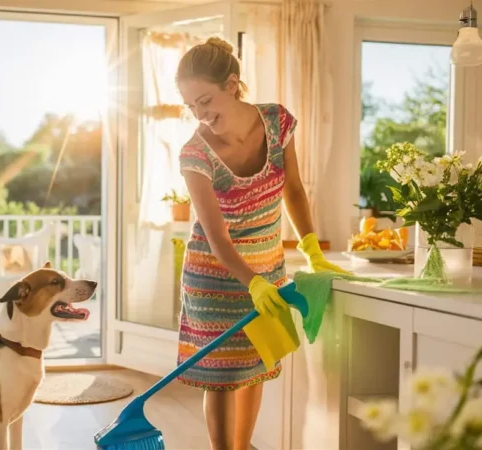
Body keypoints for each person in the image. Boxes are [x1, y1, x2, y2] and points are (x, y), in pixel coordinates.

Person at [175, 36, 349, 450]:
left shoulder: (277, 122)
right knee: (220, 378)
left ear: (232, 84)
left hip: (268, 265)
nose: (200, 114)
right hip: (216, 277)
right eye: (191, 106)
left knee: (254, 368)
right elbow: (216, 235)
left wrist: (311, 250)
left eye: (205, 100)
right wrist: (251, 282)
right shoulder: (194, 153)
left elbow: (294, 190)